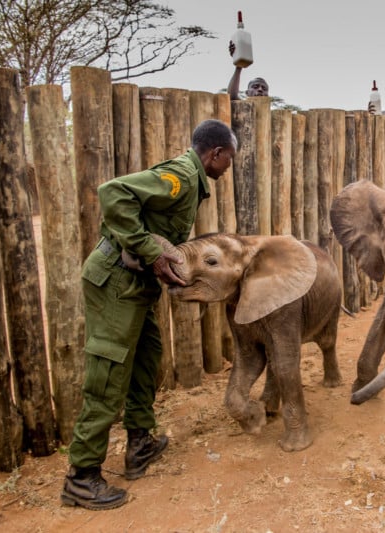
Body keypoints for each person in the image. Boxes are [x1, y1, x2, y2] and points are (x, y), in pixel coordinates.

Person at [60, 119, 238, 510]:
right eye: (230, 159)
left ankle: (140, 442)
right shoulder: (180, 176)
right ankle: (82, 475)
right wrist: (151, 249)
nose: (229, 167)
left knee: (146, 359)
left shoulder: (192, 181)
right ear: (216, 153)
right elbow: (113, 193)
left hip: (136, 284)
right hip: (115, 281)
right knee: (109, 372)